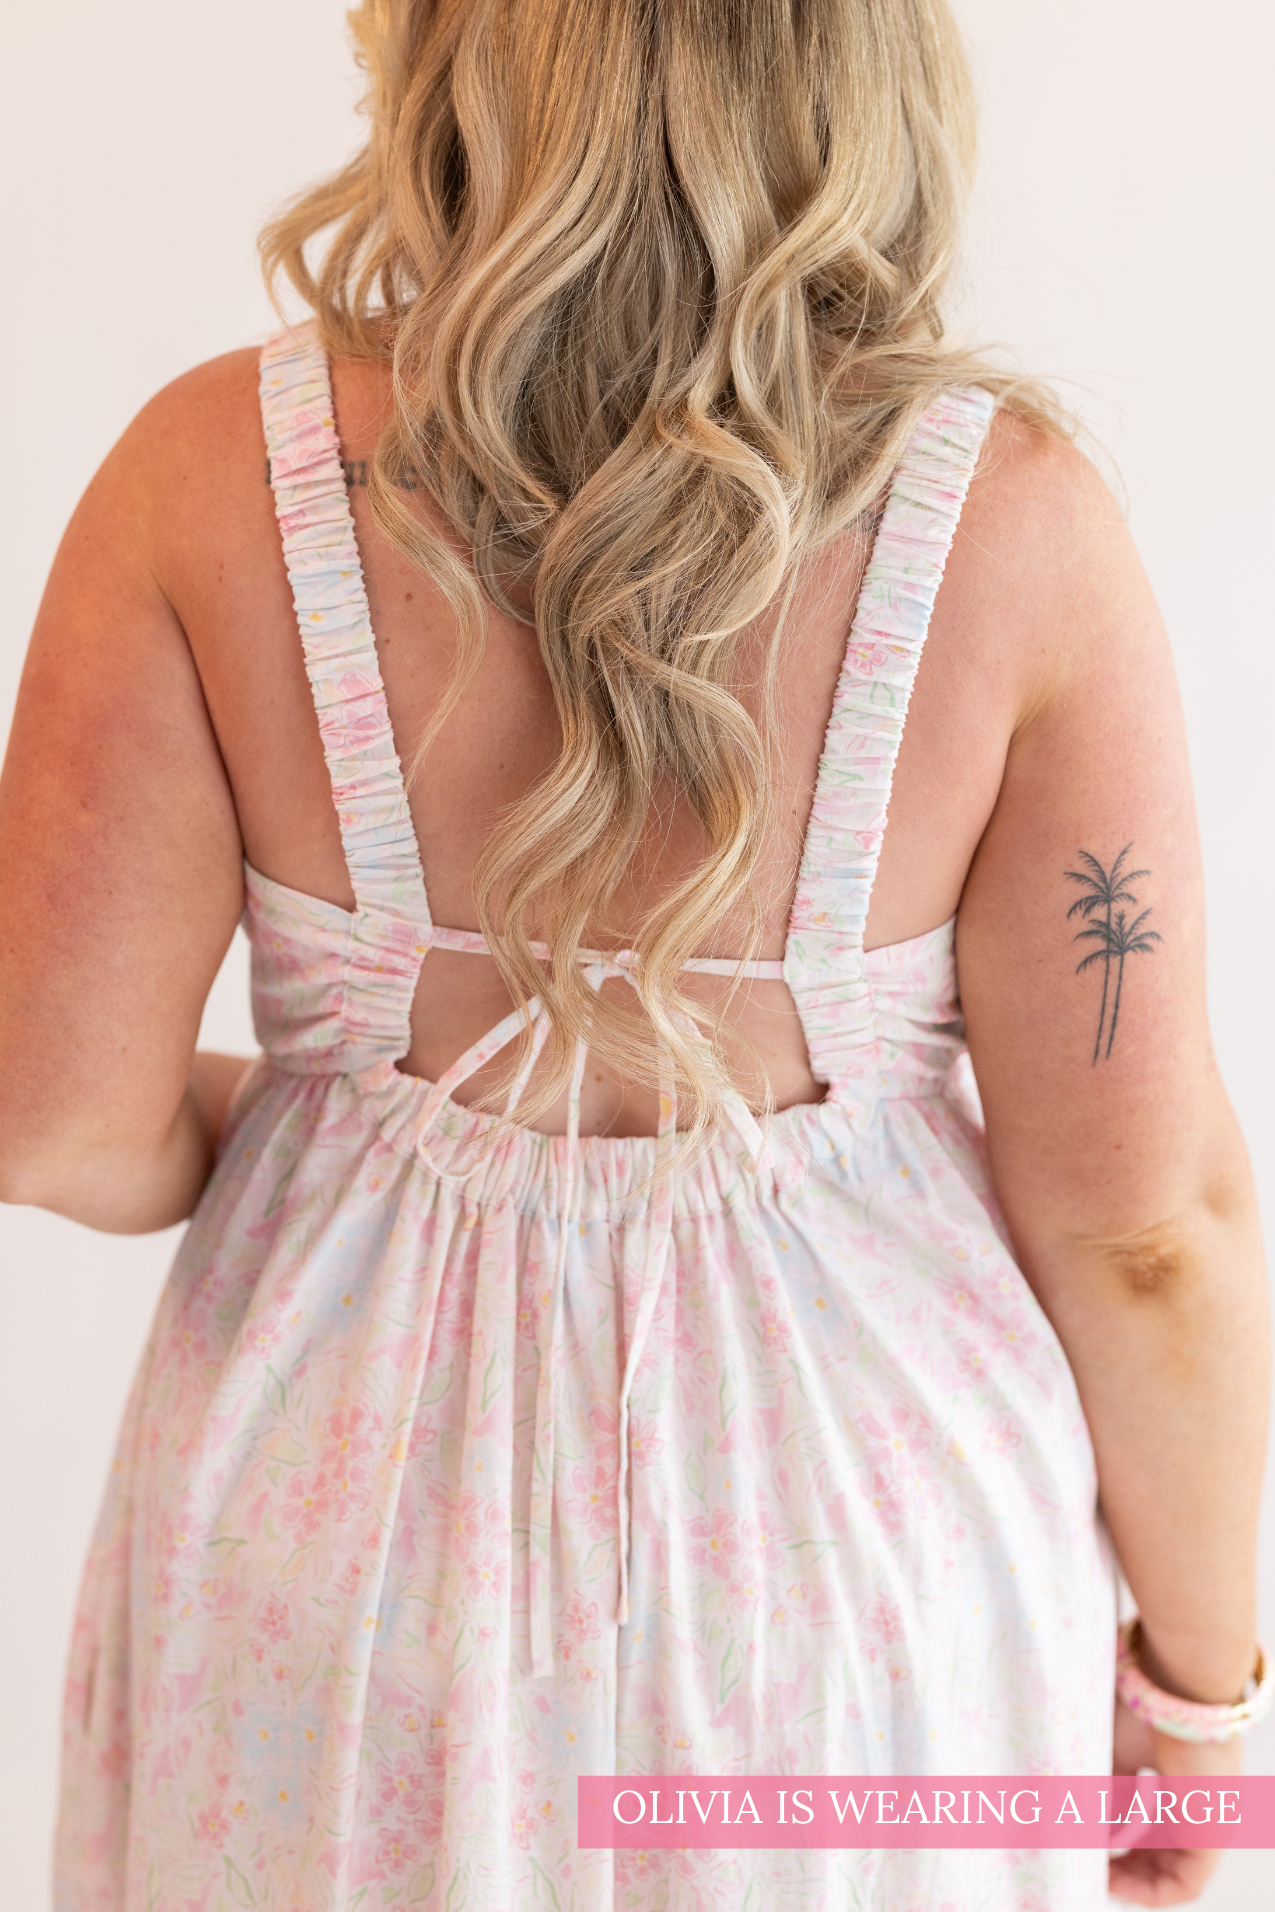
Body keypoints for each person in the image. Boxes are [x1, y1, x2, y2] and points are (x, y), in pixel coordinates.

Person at [0, 1, 1267, 1906]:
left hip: (338, 1577)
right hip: (861, 1600)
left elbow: (50, 1119)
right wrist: (1200, 1717)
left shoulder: (204, 481)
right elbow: (1146, 1234)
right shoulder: (1009, 533)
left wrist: (334, 1134)